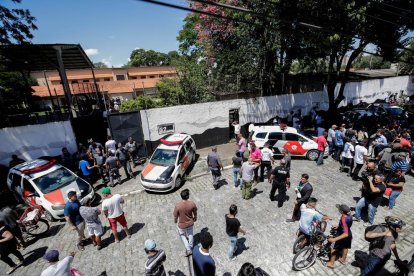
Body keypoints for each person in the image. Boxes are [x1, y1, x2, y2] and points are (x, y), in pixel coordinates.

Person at [326, 204, 353, 269]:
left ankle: (331, 263)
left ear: (342, 211)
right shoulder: (350, 216)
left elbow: (345, 233)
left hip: (342, 235)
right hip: (349, 235)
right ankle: (343, 260)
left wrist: (334, 239)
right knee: (345, 247)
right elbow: (346, 226)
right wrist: (338, 226)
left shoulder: (343, 218)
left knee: (333, 248)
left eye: (339, 209)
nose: (338, 210)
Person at [173, 189, 197, 256]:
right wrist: (195, 217)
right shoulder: (192, 204)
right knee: (190, 234)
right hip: (190, 223)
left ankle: (188, 249)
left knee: (182, 235)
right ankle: (191, 246)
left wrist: (175, 221)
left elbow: (175, 215)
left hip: (182, 225)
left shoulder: (178, 205)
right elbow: (195, 212)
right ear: (187, 196)